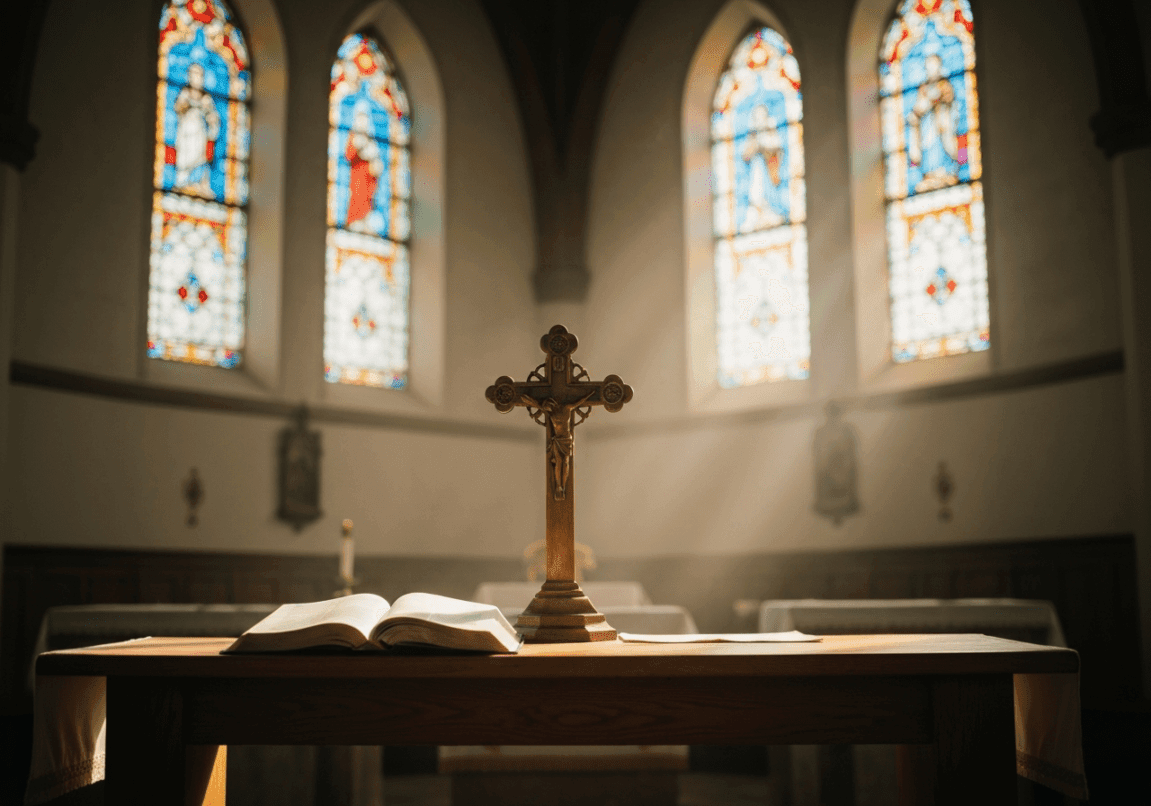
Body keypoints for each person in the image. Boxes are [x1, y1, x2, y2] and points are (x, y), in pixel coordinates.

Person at [907, 53, 959, 192]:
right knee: (930, 149)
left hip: (941, 124)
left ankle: (945, 173)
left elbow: (950, 101)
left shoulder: (945, 85)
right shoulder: (923, 88)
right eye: (929, 66)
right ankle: (930, 175)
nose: (932, 69)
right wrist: (918, 113)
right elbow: (918, 107)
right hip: (928, 127)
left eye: (934, 65)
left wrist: (937, 100)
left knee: (941, 147)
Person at [174, 63, 220, 194]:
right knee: (185, 157)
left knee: (200, 157)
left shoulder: (206, 98)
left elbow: (213, 117)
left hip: (200, 131)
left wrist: (211, 119)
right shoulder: (185, 93)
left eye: (199, 76)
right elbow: (178, 108)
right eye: (194, 76)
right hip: (186, 130)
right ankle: (182, 184)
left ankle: (200, 184)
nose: (197, 79)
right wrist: (187, 105)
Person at [741, 104, 787, 231]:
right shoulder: (753, 134)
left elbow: (776, 149)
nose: (759, 119)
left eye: (761, 116)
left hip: (768, 170)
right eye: (757, 117)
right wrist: (755, 145)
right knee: (756, 191)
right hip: (756, 169)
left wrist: (763, 146)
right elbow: (745, 155)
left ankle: (770, 212)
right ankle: (756, 213)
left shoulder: (771, 132)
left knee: (767, 192)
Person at [345, 109, 384, 233]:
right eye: (361, 120)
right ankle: (356, 222)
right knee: (357, 199)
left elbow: (377, 163)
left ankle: (366, 222)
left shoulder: (371, 140)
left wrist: (375, 163)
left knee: (368, 201)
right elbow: (349, 154)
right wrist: (359, 145)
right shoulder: (353, 136)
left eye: (365, 120)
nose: (363, 123)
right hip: (357, 177)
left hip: (369, 179)